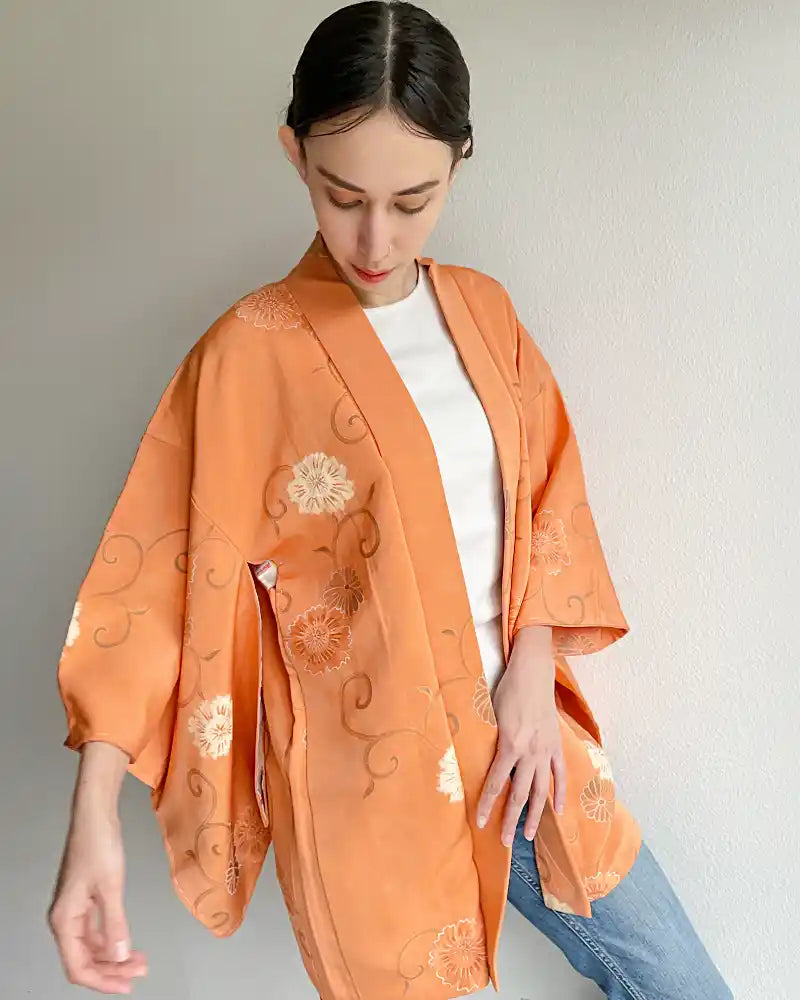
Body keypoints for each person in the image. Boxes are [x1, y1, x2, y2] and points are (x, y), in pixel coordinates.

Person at [48, 3, 733, 999]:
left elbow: (545, 505)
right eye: (342, 196)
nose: (375, 238)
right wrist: (93, 820)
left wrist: (532, 676)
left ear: (458, 160)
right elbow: (151, 583)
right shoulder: (250, 355)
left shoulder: (485, 315)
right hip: (368, 804)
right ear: (295, 156)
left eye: (412, 200)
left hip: (528, 757)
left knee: (682, 983)